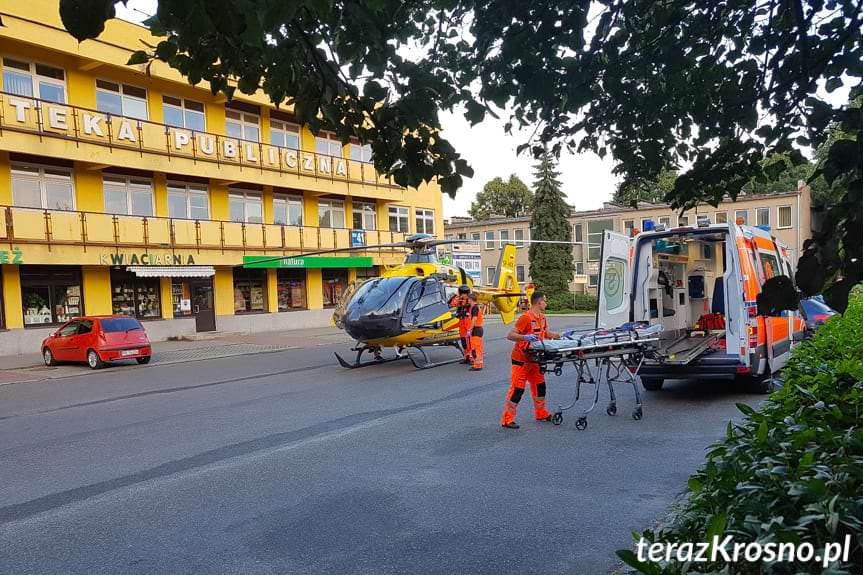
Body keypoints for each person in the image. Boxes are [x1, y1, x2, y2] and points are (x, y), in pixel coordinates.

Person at [501, 290, 561, 429]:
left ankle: (541, 413)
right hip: (521, 359)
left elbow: (545, 333)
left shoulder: (543, 317)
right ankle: (507, 419)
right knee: (518, 389)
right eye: (545, 300)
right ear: (539, 302)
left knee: (540, 386)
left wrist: (557, 335)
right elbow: (510, 335)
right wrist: (525, 337)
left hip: (535, 359)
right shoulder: (526, 318)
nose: (546, 303)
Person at [449, 284, 473, 363]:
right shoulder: (459, 300)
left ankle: (471, 357)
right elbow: (451, 304)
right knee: (463, 341)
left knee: (469, 341)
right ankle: (466, 357)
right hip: (462, 323)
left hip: (468, 323)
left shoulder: (470, 301)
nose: (462, 296)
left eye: (463, 294)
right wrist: (454, 297)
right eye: (461, 294)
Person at [466, 292, 484, 371]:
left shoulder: (474, 307)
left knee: (476, 348)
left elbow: (474, 319)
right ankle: (477, 364)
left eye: (468, 299)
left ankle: (478, 365)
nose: (467, 301)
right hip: (477, 329)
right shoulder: (475, 307)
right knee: (476, 348)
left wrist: (470, 328)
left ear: (471, 299)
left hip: (476, 329)